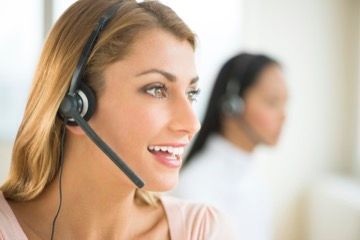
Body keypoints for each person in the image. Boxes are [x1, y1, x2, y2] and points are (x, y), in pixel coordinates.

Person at [0, 1, 236, 239]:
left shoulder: (202, 230)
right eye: (156, 89)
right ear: (75, 106)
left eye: (191, 94)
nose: (192, 124)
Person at [173, 53, 288, 240]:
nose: (283, 115)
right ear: (232, 104)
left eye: (285, 103)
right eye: (272, 102)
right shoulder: (195, 187)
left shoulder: (256, 182)